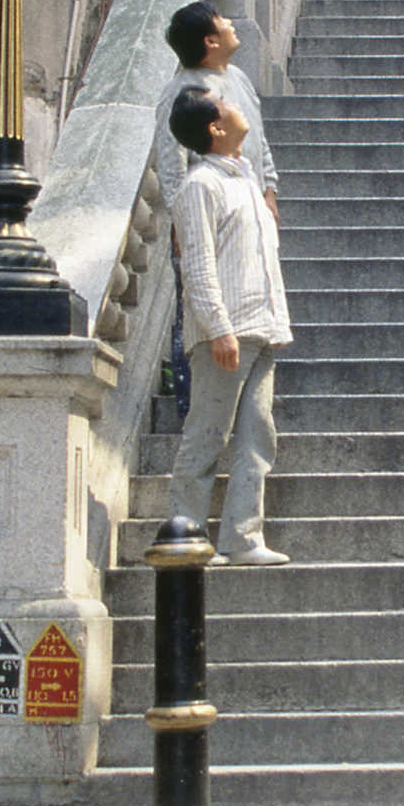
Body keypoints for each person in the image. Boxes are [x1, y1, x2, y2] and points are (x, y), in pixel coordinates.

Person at [166, 88, 293, 567]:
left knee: (258, 435)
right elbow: (197, 264)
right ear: (215, 128)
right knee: (207, 434)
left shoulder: (243, 179)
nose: (236, 105)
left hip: (260, 327)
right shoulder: (200, 184)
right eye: (225, 104)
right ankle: (187, 533)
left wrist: (276, 321)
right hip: (228, 330)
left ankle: (242, 536)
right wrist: (219, 328)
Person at [152, 1, 278, 419]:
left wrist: (269, 190)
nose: (230, 24)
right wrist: (180, 219)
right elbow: (172, 165)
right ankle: (195, 407)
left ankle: (242, 409)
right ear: (210, 40)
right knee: (200, 307)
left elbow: (258, 142)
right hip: (208, 211)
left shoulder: (239, 79)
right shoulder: (183, 92)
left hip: (249, 210)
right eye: (223, 22)